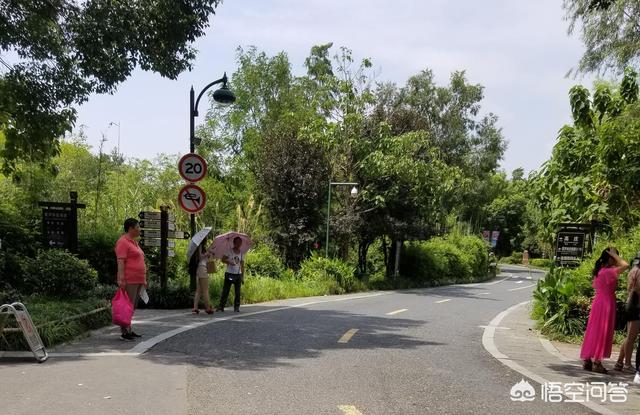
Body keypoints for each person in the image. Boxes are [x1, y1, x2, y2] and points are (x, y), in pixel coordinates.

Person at [580, 248, 629, 373]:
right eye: (615, 257)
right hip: (607, 303)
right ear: (610, 258)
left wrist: (612, 256)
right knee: (603, 331)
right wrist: (614, 254)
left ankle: (587, 360)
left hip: (598, 302)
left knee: (594, 330)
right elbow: (625, 265)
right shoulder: (609, 271)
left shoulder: (600, 270)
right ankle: (597, 363)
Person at [115, 218, 147, 341]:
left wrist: (144, 279)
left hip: (138, 279)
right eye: (138, 227)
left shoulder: (134, 242)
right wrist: (121, 279)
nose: (140, 229)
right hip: (130, 279)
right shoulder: (123, 242)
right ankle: (125, 331)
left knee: (132, 306)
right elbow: (121, 261)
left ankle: (128, 328)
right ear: (130, 228)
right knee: (127, 305)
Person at [615, 253, 640, 372]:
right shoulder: (639, 272)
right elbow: (638, 289)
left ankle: (619, 362)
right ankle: (627, 364)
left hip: (630, 303)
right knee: (631, 337)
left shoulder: (632, 270)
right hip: (636, 305)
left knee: (630, 336)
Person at [219, 236, 244, 312]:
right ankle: (221, 306)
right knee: (226, 291)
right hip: (229, 274)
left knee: (237, 292)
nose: (238, 244)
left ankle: (236, 307)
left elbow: (242, 265)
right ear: (234, 243)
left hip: (238, 274)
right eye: (237, 242)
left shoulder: (241, 253)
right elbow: (223, 259)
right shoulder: (229, 251)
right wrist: (229, 261)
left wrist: (242, 276)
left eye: (240, 243)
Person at [190, 238, 214, 315]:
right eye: (206, 237)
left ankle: (195, 308)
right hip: (202, 269)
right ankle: (208, 308)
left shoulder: (201, 247)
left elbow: (204, 259)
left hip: (200, 268)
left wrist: (209, 254)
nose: (207, 238)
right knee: (205, 290)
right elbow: (200, 257)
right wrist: (207, 253)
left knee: (199, 290)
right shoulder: (200, 246)